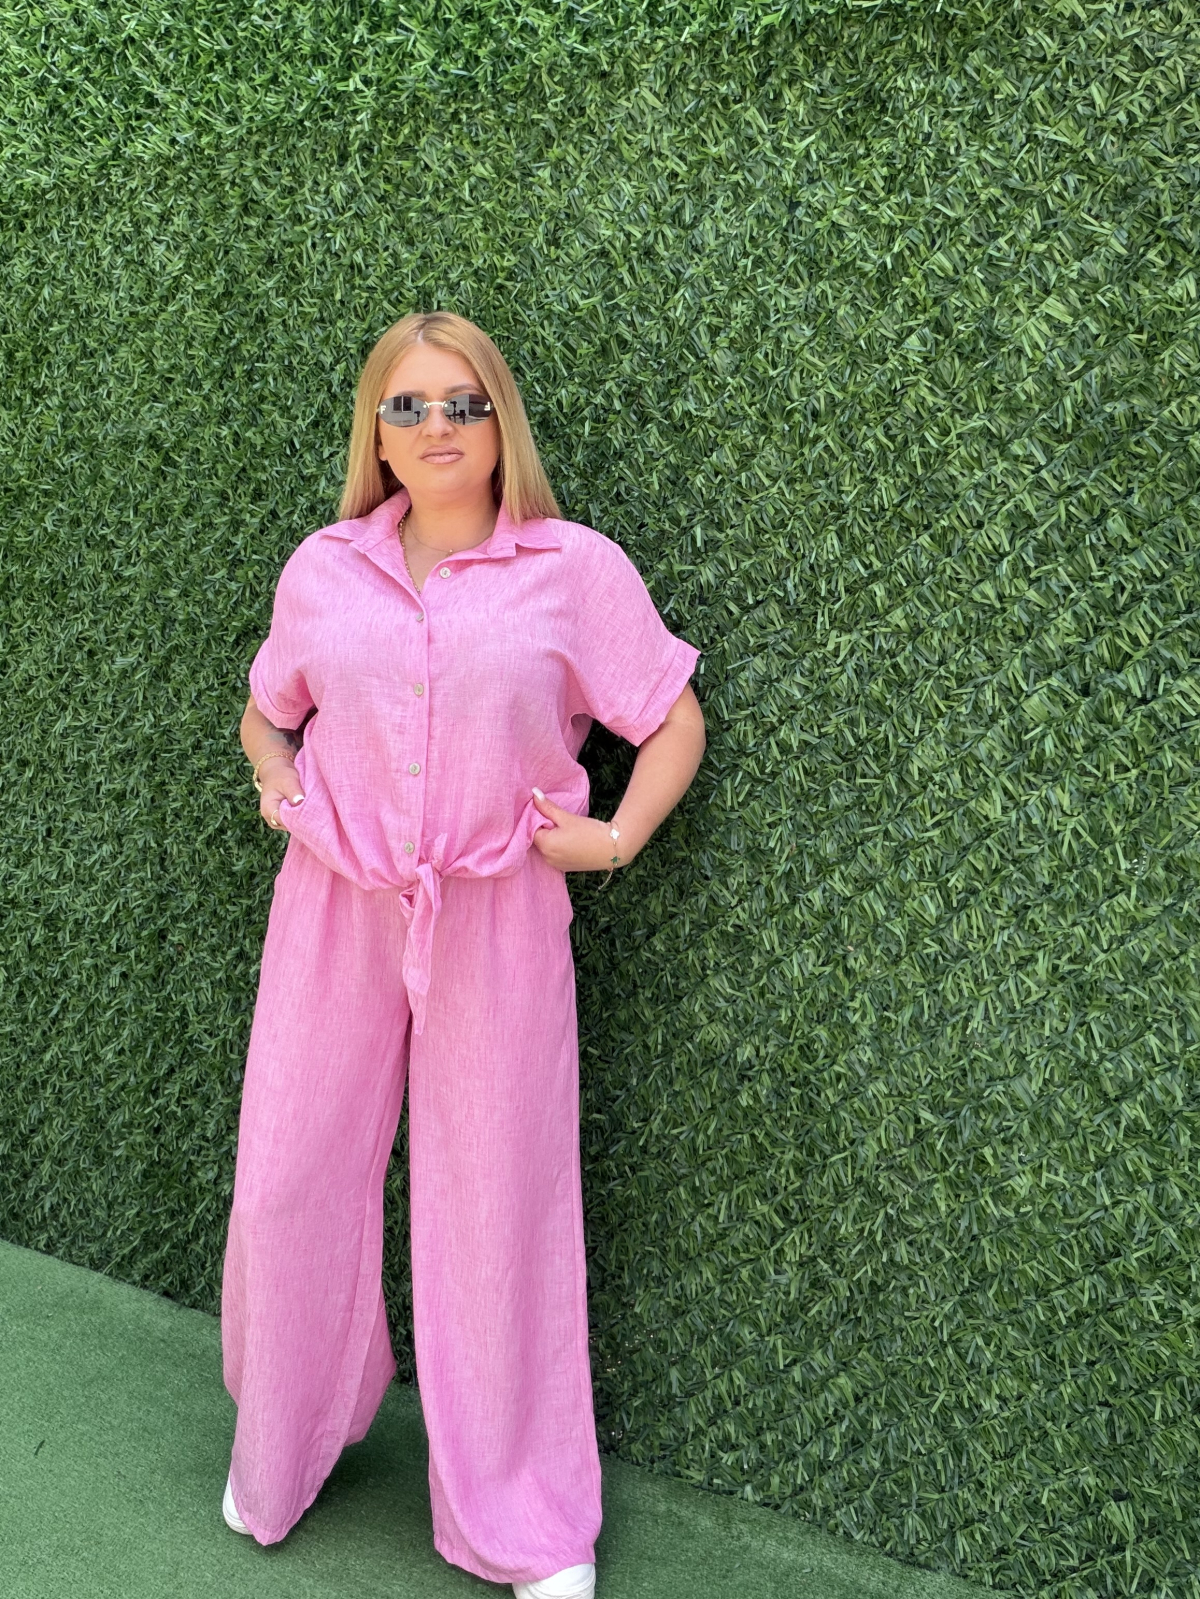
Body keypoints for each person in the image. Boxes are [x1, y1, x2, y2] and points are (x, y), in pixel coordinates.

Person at [219, 310, 706, 1599]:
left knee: (497, 1204)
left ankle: (526, 1515)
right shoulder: (323, 569)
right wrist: (277, 783)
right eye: (409, 406)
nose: (436, 427)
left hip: (496, 912)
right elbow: (268, 714)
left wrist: (616, 837)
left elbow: (671, 720)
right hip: (335, 903)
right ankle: (285, 1439)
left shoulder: (573, 569)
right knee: (287, 1178)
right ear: (375, 434)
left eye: (462, 403)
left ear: (500, 422)